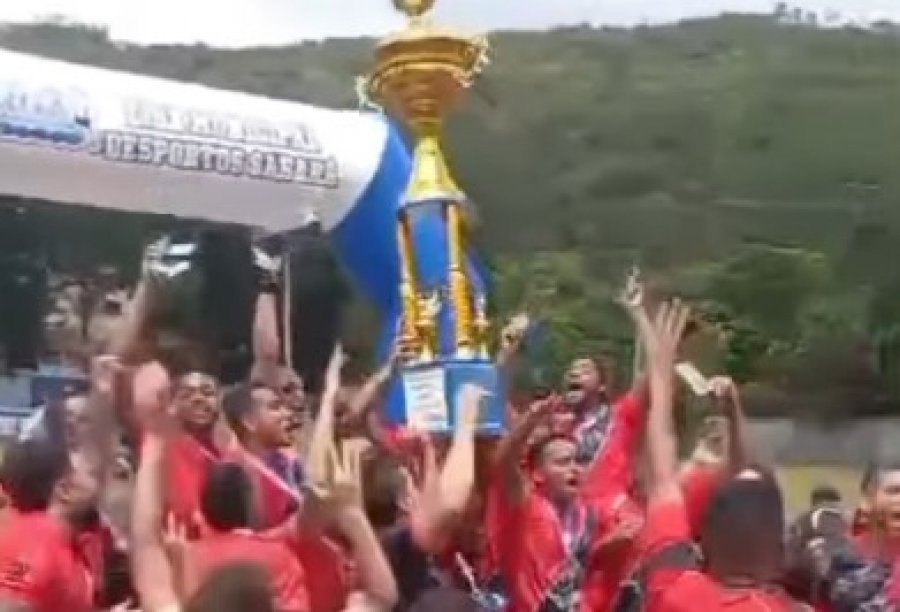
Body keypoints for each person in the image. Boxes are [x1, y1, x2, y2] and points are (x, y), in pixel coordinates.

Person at [629, 298, 805, 612]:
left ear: (704, 542)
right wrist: (733, 410)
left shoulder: (676, 592)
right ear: (780, 553)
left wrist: (660, 369)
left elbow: (663, 478)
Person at [0, 439, 100, 612]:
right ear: (65, 490)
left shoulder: (66, 540)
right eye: (90, 474)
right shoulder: (36, 544)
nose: (99, 477)